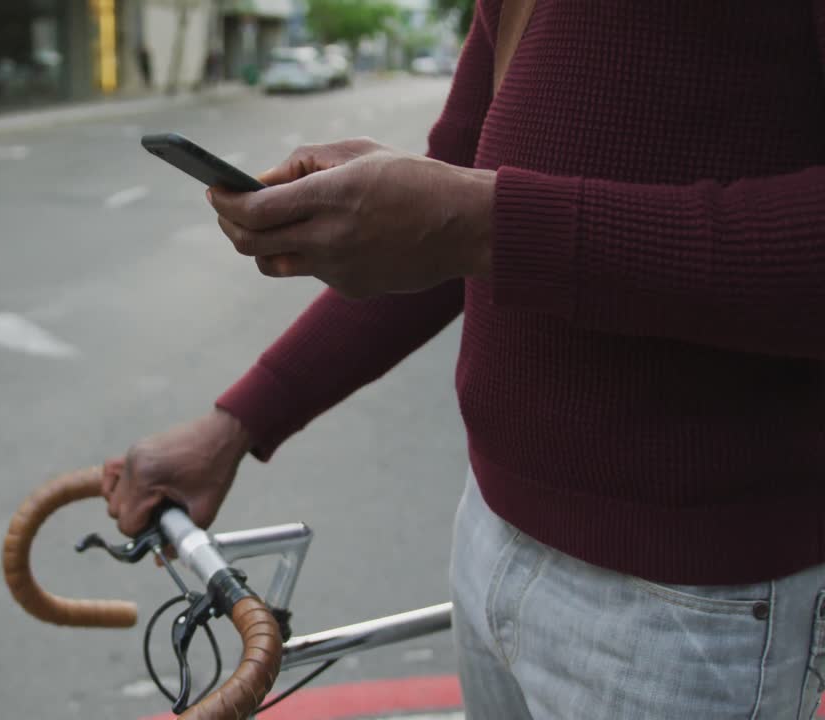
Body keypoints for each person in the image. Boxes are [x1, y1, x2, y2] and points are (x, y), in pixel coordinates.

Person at [101, 0, 825, 717]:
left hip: (696, 596)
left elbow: (477, 221)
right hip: (488, 532)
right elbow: (457, 205)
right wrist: (238, 423)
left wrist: (485, 221)